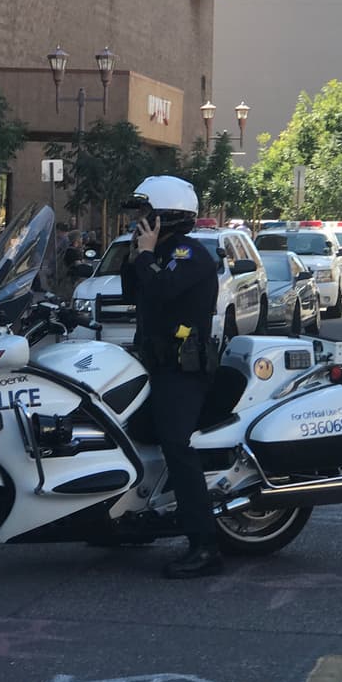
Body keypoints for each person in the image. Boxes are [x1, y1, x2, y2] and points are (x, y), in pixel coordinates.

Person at [120, 175, 223, 579]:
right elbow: (133, 293)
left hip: (183, 370)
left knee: (176, 444)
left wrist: (146, 256)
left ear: (165, 216)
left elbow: (163, 290)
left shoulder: (190, 254)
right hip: (152, 365)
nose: (138, 221)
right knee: (128, 430)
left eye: (145, 213)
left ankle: (205, 545)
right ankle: (134, 517)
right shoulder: (157, 252)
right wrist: (135, 255)